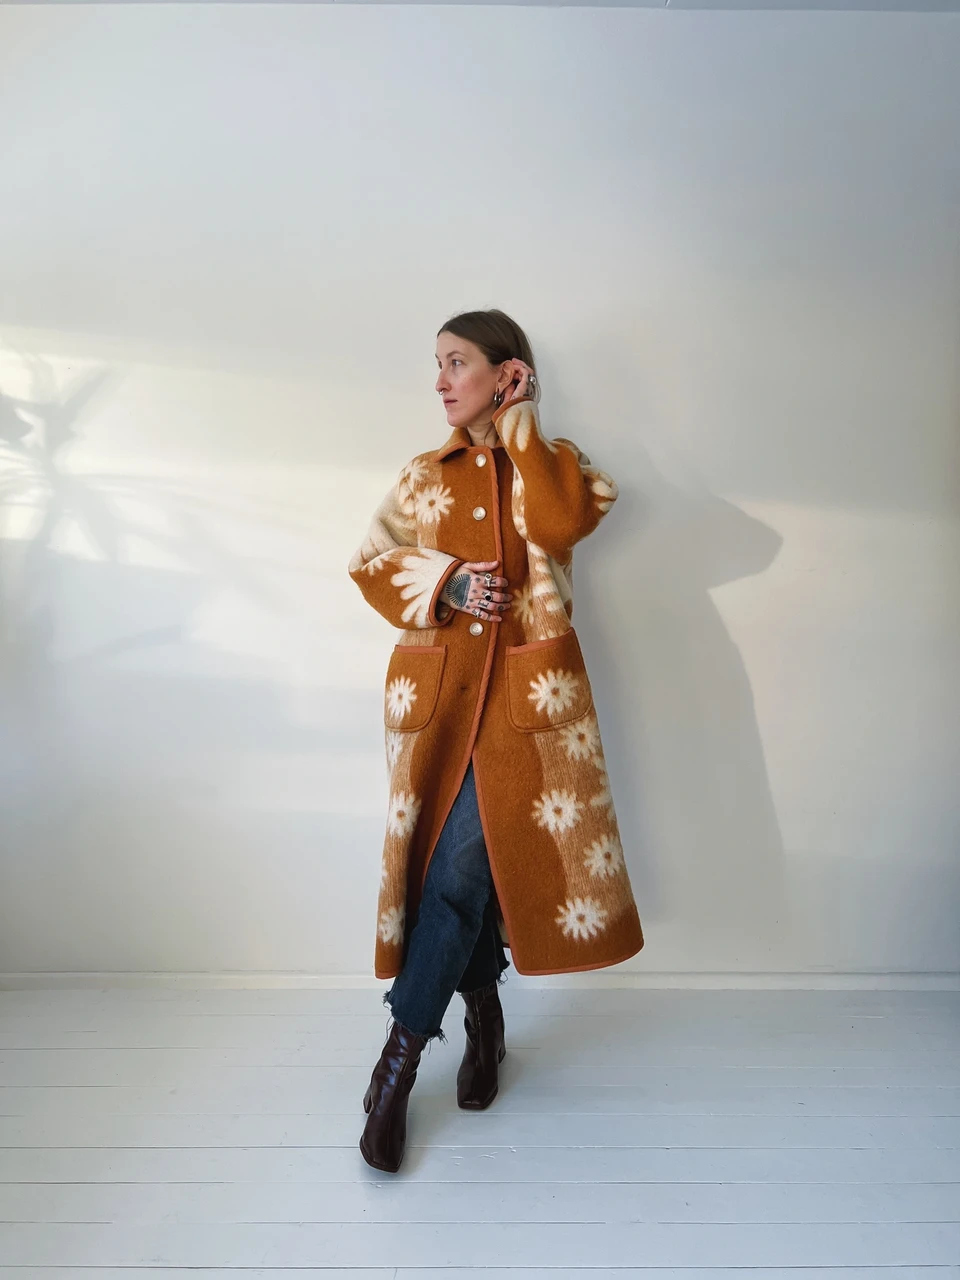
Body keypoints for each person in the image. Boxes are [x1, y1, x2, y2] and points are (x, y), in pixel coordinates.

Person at [348, 309, 644, 1173]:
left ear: (506, 373)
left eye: (458, 363)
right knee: (460, 874)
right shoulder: (421, 476)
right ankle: (483, 1024)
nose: (441, 381)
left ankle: (396, 1069)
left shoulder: (555, 466)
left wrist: (521, 425)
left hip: (524, 707)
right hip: (439, 706)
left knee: (454, 878)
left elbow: (559, 525)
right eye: (437, 364)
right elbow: (369, 562)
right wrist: (443, 584)